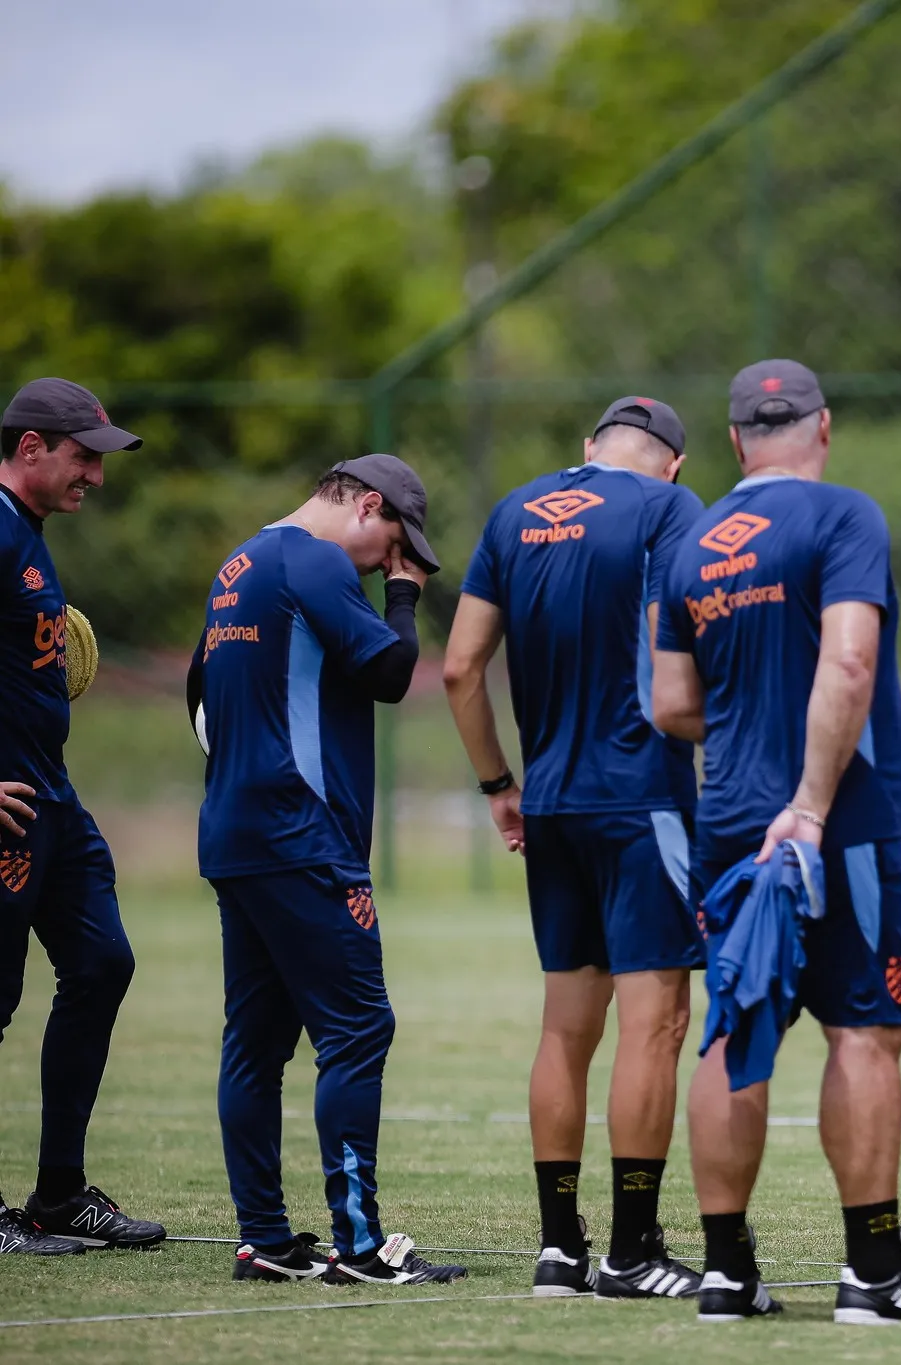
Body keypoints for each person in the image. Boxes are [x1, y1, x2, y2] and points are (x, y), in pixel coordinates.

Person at [650, 360, 901, 1325]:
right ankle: (874, 1273)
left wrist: (753, 733)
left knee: (734, 1029)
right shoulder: (844, 517)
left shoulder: (691, 541)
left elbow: (670, 703)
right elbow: (849, 661)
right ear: (823, 427)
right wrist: (805, 799)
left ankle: (725, 1271)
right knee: (864, 1032)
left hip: (728, 821)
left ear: (734, 442)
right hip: (838, 821)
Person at [443, 396, 707, 1300]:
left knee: (565, 1029)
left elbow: (459, 667)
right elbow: (675, 648)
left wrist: (498, 784)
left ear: (588, 447)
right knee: (656, 1023)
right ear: (673, 462)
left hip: (551, 802)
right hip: (643, 799)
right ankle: (633, 1251)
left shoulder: (513, 512)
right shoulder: (670, 507)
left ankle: (560, 1249)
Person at [191, 455, 465, 1286]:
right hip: (303, 838)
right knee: (358, 1029)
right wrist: (405, 596)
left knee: (256, 1042)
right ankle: (360, 1245)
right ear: (367, 504)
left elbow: (199, 700)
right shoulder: (313, 560)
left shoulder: (239, 563)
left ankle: (265, 1241)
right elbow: (391, 673)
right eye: (394, 543)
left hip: (234, 831)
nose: (390, 561)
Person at [0, 379, 160, 1255]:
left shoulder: (27, 534)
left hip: (50, 796)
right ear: (30, 446)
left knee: (102, 962)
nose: (95, 474)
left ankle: (58, 1194)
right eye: (83, 456)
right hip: (8, 807)